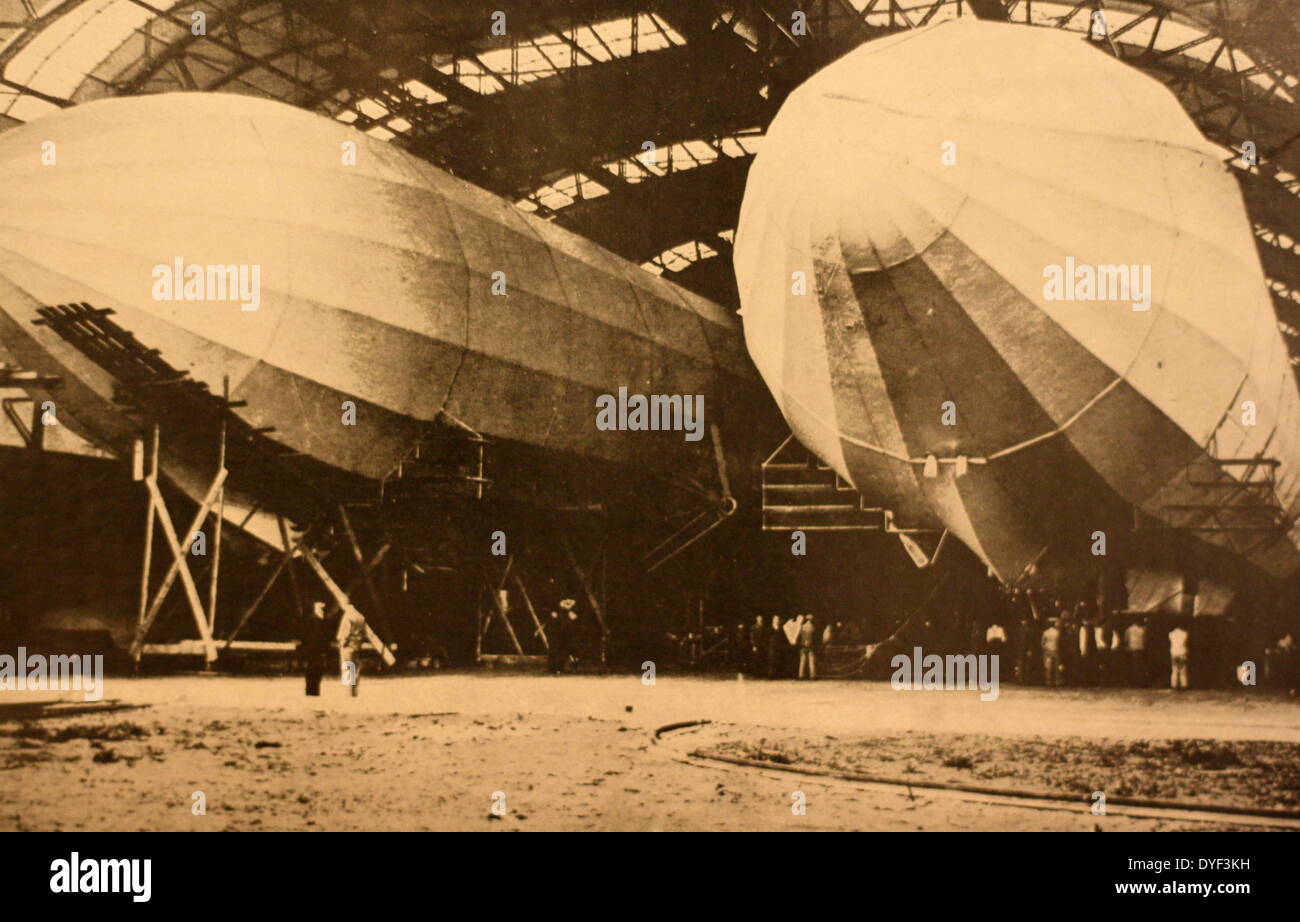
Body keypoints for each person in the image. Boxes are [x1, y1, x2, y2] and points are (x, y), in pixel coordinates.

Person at [336, 603, 368, 697]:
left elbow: (345, 633)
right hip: (357, 646)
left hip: (348, 646)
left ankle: (348, 693)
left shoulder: (348, 617)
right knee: (356, 670)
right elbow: (364, 633)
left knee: (347, 668)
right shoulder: (361, 617)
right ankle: (355, 692)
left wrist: (341, 644)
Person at [302, 600, 333, 697]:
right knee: (311, 672)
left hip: (320, 650)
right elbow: (305, 636)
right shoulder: (311, 620)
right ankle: (310, 692)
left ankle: (315, 691)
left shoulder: (324, 620)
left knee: (318, 671)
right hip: (312, 650)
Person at [1124, 618, 1147, 687]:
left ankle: (1133, 682)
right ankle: (1140, 682)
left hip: (1132, 649)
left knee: (1133, 665)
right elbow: (1145, 639)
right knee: (1140, 665)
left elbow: (1126, 640)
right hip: (1140, 648)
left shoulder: (1128, 630)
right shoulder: (1142, 629)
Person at [1041, 619, 1063, 687]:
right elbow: (1060, 642)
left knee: (1048, 668)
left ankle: (1048, 682)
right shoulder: (1057, 632)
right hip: (1055, 650)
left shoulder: (1045, 632)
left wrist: (1045, 648)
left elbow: (1042, 643)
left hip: (1047, 651)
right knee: (1056, 667)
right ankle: (1057, 681)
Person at [1169, 621, 1190, 690]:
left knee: (1174, 669)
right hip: (1182, 653)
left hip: (1174, 653)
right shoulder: (1185, 633)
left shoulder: (1171, 634)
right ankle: (1183, 684)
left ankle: (1174, 684)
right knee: (1182, 670)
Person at [798, 614, 817, 680]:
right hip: (810, 645)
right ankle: (812, 676)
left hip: (803, 645)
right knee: (811, 661)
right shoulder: (812, 627)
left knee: (802, 661)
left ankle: (800, 675)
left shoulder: (802, 627)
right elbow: (814, 637)